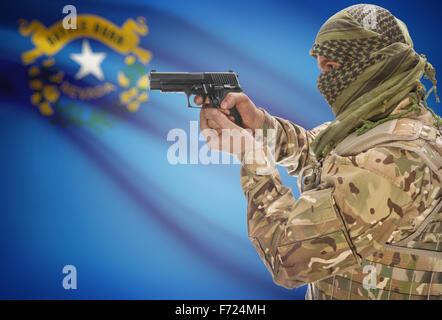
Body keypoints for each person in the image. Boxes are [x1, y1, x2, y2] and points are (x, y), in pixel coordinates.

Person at [196, 4, 441, 300]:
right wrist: (259, 124)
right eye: (321, 68)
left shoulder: (396, 162)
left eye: (332, 68)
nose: (323, 81)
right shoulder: (378, 126)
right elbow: (316, 152)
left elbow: (287, 259)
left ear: (374, 63)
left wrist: (251, 156)